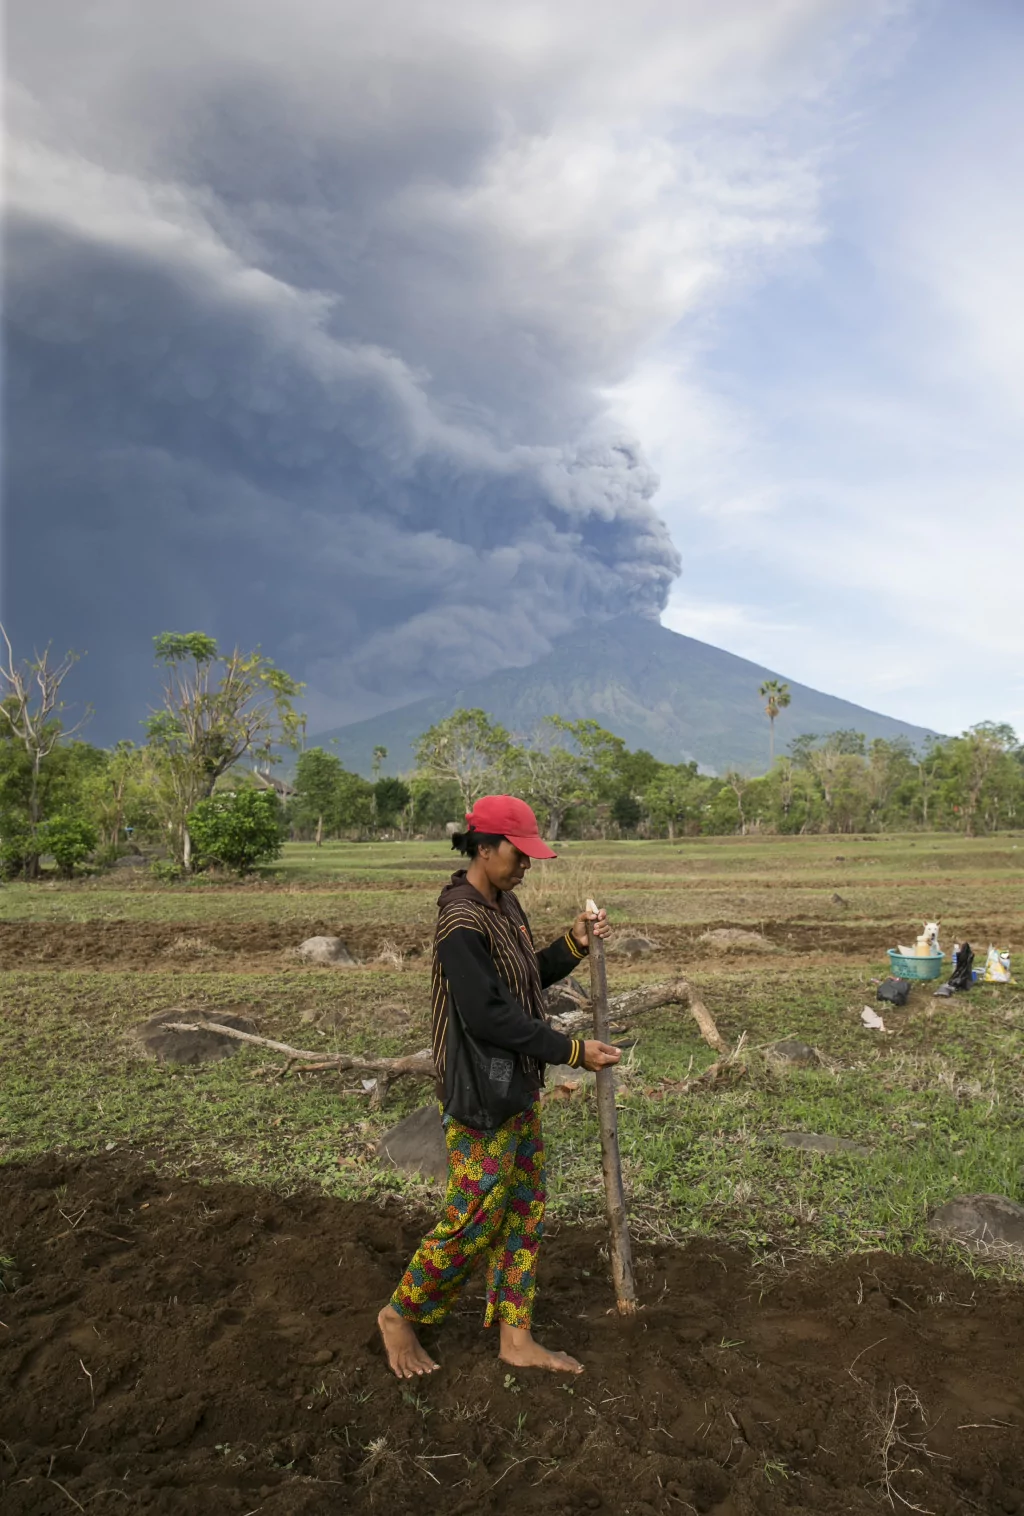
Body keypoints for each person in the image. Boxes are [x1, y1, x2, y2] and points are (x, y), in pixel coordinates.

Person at [378, 794, 620, 1379]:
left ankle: (516, 1338)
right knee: (474, 1213)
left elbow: (521, 980)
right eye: (519, 854)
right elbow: (487, 1015)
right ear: (484, 848)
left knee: (523, 1208)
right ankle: (399, 1313)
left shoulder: (504, 905)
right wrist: (570, 1052)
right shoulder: (459, 922)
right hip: (479, 1094)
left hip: (515, 1085)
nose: (527, 865)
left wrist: (572, 944)